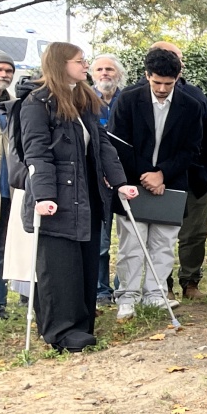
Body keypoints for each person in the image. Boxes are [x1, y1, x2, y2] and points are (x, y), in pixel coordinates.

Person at [21, 43, 138, 350]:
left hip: (86, 196)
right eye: (79, 61)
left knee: (85, 261)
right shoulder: (37, 103)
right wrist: (44, 195)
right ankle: (61, 332)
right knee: (59, 267)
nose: (85, 65)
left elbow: (102, 146)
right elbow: (37, 152)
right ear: (61, 64)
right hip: (56, 200)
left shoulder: (83, 99)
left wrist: (119, 182)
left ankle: (82, 326)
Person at [107, 46, 207, 320]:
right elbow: (118, 143)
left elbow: (192, 148)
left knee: (164, 242)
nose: (163, 89)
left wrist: (163, 173)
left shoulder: (191, 105)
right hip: (132, 182)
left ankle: (155, 294)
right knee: (132, 243)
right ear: (147, 76)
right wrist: (146, 176)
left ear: (177, 78)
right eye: (157, 82)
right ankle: (127, 296)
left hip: (171, 183)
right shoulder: (128, 101)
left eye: (169, 83)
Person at [148, 42, 207, 302]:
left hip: (195, 177)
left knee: (194, 233)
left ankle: (190, 281)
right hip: (159, 180)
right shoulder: (139, 97)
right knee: (161, 233)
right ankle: (163, 285)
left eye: (177, 59)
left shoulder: (195, 95)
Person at [90, 54, 126, 303]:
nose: (105, 73)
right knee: (101, 241)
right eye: (100, 69)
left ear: (119, 74)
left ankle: (122, 287)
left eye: (110, 69)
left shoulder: (128, 100)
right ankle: (101, 289)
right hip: (96, 180)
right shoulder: (84, 100)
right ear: (92, 75)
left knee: (127, 240)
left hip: (126, 179)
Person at [0, 54, 14, 317]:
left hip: (8, 188)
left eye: (9, 70)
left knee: (2, 247)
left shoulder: (13, 106)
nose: (3, 73)